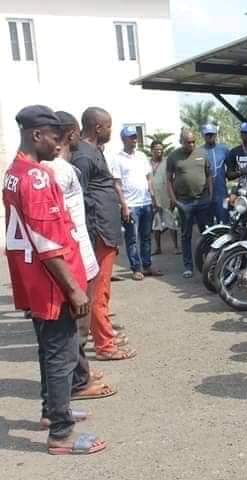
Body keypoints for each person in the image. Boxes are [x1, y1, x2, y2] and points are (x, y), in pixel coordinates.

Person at [4, 105, 106, 455]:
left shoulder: (13, 172)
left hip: (32, 278)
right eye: (54, 138)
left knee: (49, 350)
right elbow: (48, 244)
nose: (58, 145)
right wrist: (74, 288)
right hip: (51, 281)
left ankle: (53, 411)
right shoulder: (36, 176)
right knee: (62, 355)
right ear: (37, 135)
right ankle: (61, 434)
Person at [42, 111, 117, 404]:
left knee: (81, 317)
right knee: (79, 318)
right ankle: (77, 380)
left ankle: (81, 373)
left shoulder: (71, 163)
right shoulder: (65, 167)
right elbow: (78, 209)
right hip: (81, 248)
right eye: (108, 125)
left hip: (85, 246)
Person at [72, 107, 136, 361]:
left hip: (106, 232)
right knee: (98, 291)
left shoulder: (94, 151)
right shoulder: (83, 157)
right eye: (109, 125)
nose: (111, 130)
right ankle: (105, 345)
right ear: (97, 127)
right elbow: (80, 199)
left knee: (103, 291)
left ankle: (104, 332)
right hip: (98, 234)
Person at [114, 127, 161, 280]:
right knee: (132, 238)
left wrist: (153, 199)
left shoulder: (141, 156)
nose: (134, 139)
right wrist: (124, 206)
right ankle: (136, 268)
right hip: (131, 205)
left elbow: (148, 179)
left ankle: (147, 266)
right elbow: (117, 184)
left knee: (146, 236)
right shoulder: (117, 158)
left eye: (135, 136)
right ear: (123, 139)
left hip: (146, 202)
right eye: (131, 137)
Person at [167, 128, 213, 278]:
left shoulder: (202, 154)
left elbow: (209, 175)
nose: (191, 145)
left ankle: (208, 264)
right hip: (184, 202)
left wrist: (210, 195)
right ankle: (188, 266)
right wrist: (174, 200)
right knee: (186, 235)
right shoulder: (174, 157)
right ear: (181, 142)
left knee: (207, 234)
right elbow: (169, 179)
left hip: (203, 200)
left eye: (193, 142)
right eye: (188, 142)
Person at [149, 140, 180, 255]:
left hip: (166, 196)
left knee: (171, 222)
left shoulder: (167, 162)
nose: (159, 151)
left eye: (161, 149)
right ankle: (158, 248)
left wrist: (173, 198)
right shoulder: (147, 164)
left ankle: (176, 247)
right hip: (153, 197)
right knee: (156, 225)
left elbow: (173, 179)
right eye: (156, 149)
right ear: (152, 150)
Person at [201, 123, 230, 224]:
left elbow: (231, 169)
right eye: (207, 134)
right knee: (207, 224)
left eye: (212, 134)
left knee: (224, 222)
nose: (209, 136)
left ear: (216, 134)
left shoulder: (224, 149)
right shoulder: (199, 151)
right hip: (205, 194)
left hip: (221, 192)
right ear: (203, 135)